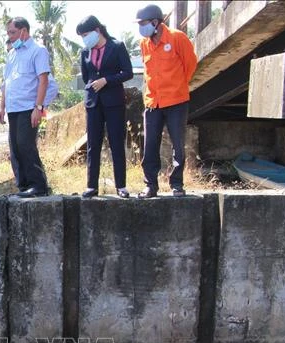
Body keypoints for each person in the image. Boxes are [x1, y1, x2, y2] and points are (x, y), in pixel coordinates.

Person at [135, 4, 198, 198]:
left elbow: (190, 64)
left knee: (177, 144)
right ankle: (150, 185)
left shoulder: (177, 37)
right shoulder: (144, 43)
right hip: (153, 102)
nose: (141, 27)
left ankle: (177, 184)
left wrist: (177, 86)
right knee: (150, 145)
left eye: (143, 23)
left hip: (176, 100)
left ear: (155, 22)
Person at [0, 17, 55, 198]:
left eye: (13, 32)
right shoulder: (12, 54)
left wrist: (39, 107)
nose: (10, 37)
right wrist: (2, 107)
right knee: (14, 147)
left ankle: (38, 185)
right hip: (13, 109)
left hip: (28, 108)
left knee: (25, 145)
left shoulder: (38, 51)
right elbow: (7, 83)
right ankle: (23, 185)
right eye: (8, 33)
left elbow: (43, 80)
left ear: (24, 31)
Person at [77, 15, 134, 198]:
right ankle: (91, 186)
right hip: (93, 102)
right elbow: (87, 77)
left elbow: (128, 72)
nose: (84, 39)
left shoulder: (116, 46)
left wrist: (107, 80)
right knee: (93, 143)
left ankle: (121, 186)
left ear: (97, 30)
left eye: (86, 34)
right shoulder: (85, 52)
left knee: (116, 142)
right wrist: (95, 84)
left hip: (114, 101)